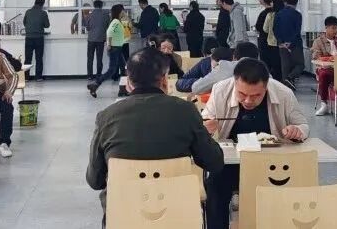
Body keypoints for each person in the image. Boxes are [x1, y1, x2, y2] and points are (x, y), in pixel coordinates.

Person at [86, 47, 224, 221]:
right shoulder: (186, 111)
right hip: (177, 213)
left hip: (123, 213)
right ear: (165, 80)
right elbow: (214, 162)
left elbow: (95, 180)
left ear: (128, 82)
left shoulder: (106, 117)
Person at [202, 58, 309, 229]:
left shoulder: (283, 93)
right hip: (230, 164)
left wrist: (297, 131)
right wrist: (206, 127)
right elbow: (204, 121)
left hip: (272, 163)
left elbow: (302, 125)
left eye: (256, 96)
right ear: (235, 83)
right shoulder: (220, 90)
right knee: (214, 188)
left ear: (266, 87)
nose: (248, 101)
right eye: (242, 94)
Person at [310, 16, 337, 116]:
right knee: (324, 74)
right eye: (333, 28)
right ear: (326, 28)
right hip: (325, 68)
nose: (335, 31)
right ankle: (324, 104)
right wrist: (332, 57)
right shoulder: (318, 41)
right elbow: (316, 56)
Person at [88, 4, 128, 98]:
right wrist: (109, 44)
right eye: (123, 11)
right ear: (119, 12)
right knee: (112, 70)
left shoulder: (117, 21)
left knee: (124, 69)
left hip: (118, 48)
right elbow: (109, 32)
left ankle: (122, 90)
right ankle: (95, 84)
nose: (124, 12)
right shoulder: (116, 22)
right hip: (115, 48)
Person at [192, 42, 260, 95]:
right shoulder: (263, 71)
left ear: (234, 57)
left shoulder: (225, 67)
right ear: (257, 58)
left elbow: (196, 88)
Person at [274, 0, 305, 89]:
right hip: (295, 44)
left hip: (282, 44)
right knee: (300, 64)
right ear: (296, 4)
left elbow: (275, 29)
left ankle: (285, 88)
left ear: (286, 3)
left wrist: (281, 42)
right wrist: (290, 42)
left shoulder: (279, 14)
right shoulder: (297, 14)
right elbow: (297, 30)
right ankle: (290, 77)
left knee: (285, 66)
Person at [23, 0, 51, 81]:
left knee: (28, 58)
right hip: (39, 38)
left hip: (29, 38)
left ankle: (26, 77)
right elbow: (47, 25)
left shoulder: (28, 12)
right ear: (42, 4)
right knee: (39, 58)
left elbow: (24, 23)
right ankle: (38, 77)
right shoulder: (43, 13)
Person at [83, 0, 111, 81]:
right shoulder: (106, 15)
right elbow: (108, 26)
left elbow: (87, 28)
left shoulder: (89, 15)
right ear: (102, 6)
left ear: (94, 6)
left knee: (90, 58)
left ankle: (90, 75)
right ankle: (98, 75)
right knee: (99, 58)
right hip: (101, 39)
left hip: (91, 39)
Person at [261, 0, 284, 82]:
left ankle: (275, 81)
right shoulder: (284, 14)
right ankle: (284, 80)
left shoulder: (270, 15)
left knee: (275, 64)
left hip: (272, 42)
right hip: (284, 43)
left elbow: (265, 29)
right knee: (283, 63)